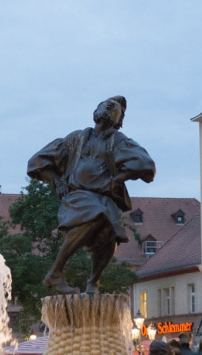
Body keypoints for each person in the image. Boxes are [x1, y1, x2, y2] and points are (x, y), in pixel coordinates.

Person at [27, 96, 156, 294]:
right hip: (78, 195)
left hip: (106, 196)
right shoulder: (77, 138)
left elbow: (145, 164)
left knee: (111, 232)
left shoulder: (118, 140)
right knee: (97, 213)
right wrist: (57, 182)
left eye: (116, 108)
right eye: (106, 104)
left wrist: (119, 178)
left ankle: (93, 282)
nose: (110, 106)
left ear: (118, 121)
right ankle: (55, 272)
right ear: (95, 111)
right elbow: (37, 161)